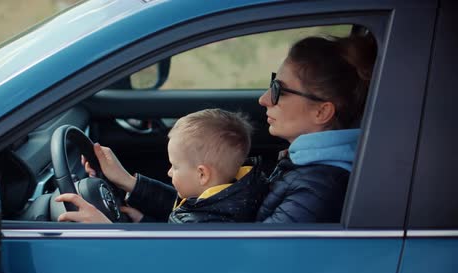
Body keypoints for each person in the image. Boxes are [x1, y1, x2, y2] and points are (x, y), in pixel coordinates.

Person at [56, 33, 377, 224]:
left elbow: (232, 259)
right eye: (271, 85)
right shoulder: (301, 167)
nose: (265, 99)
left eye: (279, 90)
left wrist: (111, 235)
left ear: (322, 111)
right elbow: (217, 212)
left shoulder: (320, 187)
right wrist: (129, 184)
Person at [119, 108, 267, 223]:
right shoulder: (241, 195)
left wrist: (108, 225)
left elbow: (162, 253)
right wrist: (142, 220)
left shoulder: (197, 225)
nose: (169, 172)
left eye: (175, 166)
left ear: (202, 175)